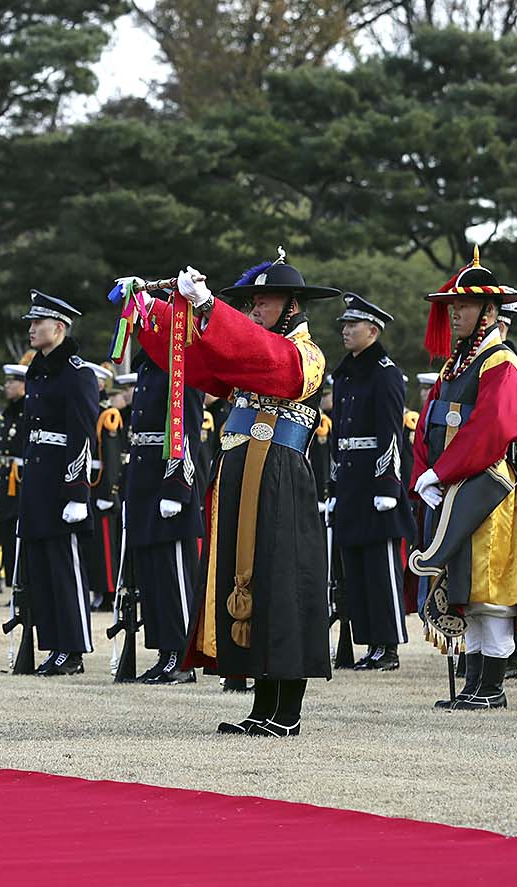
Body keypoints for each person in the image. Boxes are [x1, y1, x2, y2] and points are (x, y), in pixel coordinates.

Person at [125, 249, 337, 734]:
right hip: (242, 473)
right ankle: (261, 706)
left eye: (264, 301)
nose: (255, 308)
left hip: (280, 476)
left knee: (281, 585)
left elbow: (271, 362)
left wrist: (209, 307)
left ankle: (287, 712)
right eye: (252, 302)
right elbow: (199, 360)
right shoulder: (251, 349)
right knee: (250, 583)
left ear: (292, 306)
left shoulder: (306, 353)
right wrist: (153, 310)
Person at [410, 249, 517, 711]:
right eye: (453, 305)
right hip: (454, 485)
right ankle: (474, 681)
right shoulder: (453, 366)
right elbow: (427, 425)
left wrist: (441, 471)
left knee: (489, 589)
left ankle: (492, 686)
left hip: (487, 488)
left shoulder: (503, 364)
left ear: (490, 312)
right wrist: (425, 472)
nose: (454, 313)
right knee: (463, 584)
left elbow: (492, 430)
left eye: (463, 306)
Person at [329, 294, 414, 672]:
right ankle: (369, 643)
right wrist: (334, 486)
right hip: (351, 480)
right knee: (356, 569)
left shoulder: (385, 372)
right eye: (344, 325)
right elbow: (338, 433)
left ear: (373, 331)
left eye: (353, 325)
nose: (346, 331)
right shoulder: (345, 372)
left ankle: (388, 645)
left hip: (376, 481)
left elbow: (391, 432)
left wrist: (388, 485)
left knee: (380, 568)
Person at [19, 291, 99, 676]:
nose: (32, 329)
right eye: (31, 322)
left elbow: (82, 433)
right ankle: (54, 645)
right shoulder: (38, 370)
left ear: (60, 328)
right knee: (42, 568)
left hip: (62, 481)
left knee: (65, 567)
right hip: (38, 477)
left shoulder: (77, 372)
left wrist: (77, 491)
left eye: (39, 323)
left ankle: (73, 647)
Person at [123, 349, 203, 684]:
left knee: (173, 576)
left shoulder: (182, 363)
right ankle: (164, 653)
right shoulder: (150, 365)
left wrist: (177, 487)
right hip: (145, 478)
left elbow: (188, 429)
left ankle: (181, 657)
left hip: (168, 481)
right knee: (152, 575)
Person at [89, 363, 124, 613]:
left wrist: (110, 492)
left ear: (101, 384)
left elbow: (111, 457)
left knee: (105, 546)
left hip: (101, 486)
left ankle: (108, 591)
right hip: (88, 484)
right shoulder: (88, 408)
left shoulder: (107, 414)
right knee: (93, 546)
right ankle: (97, 590)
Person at [0, 363, 26, 603]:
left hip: (21, 478)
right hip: (7, 479)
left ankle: (22, 586)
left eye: (12, 382)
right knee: (7, 535)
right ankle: (13, 586)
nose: (7, 386)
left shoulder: (27, 410)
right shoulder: (9, 412)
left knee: (18, 534)